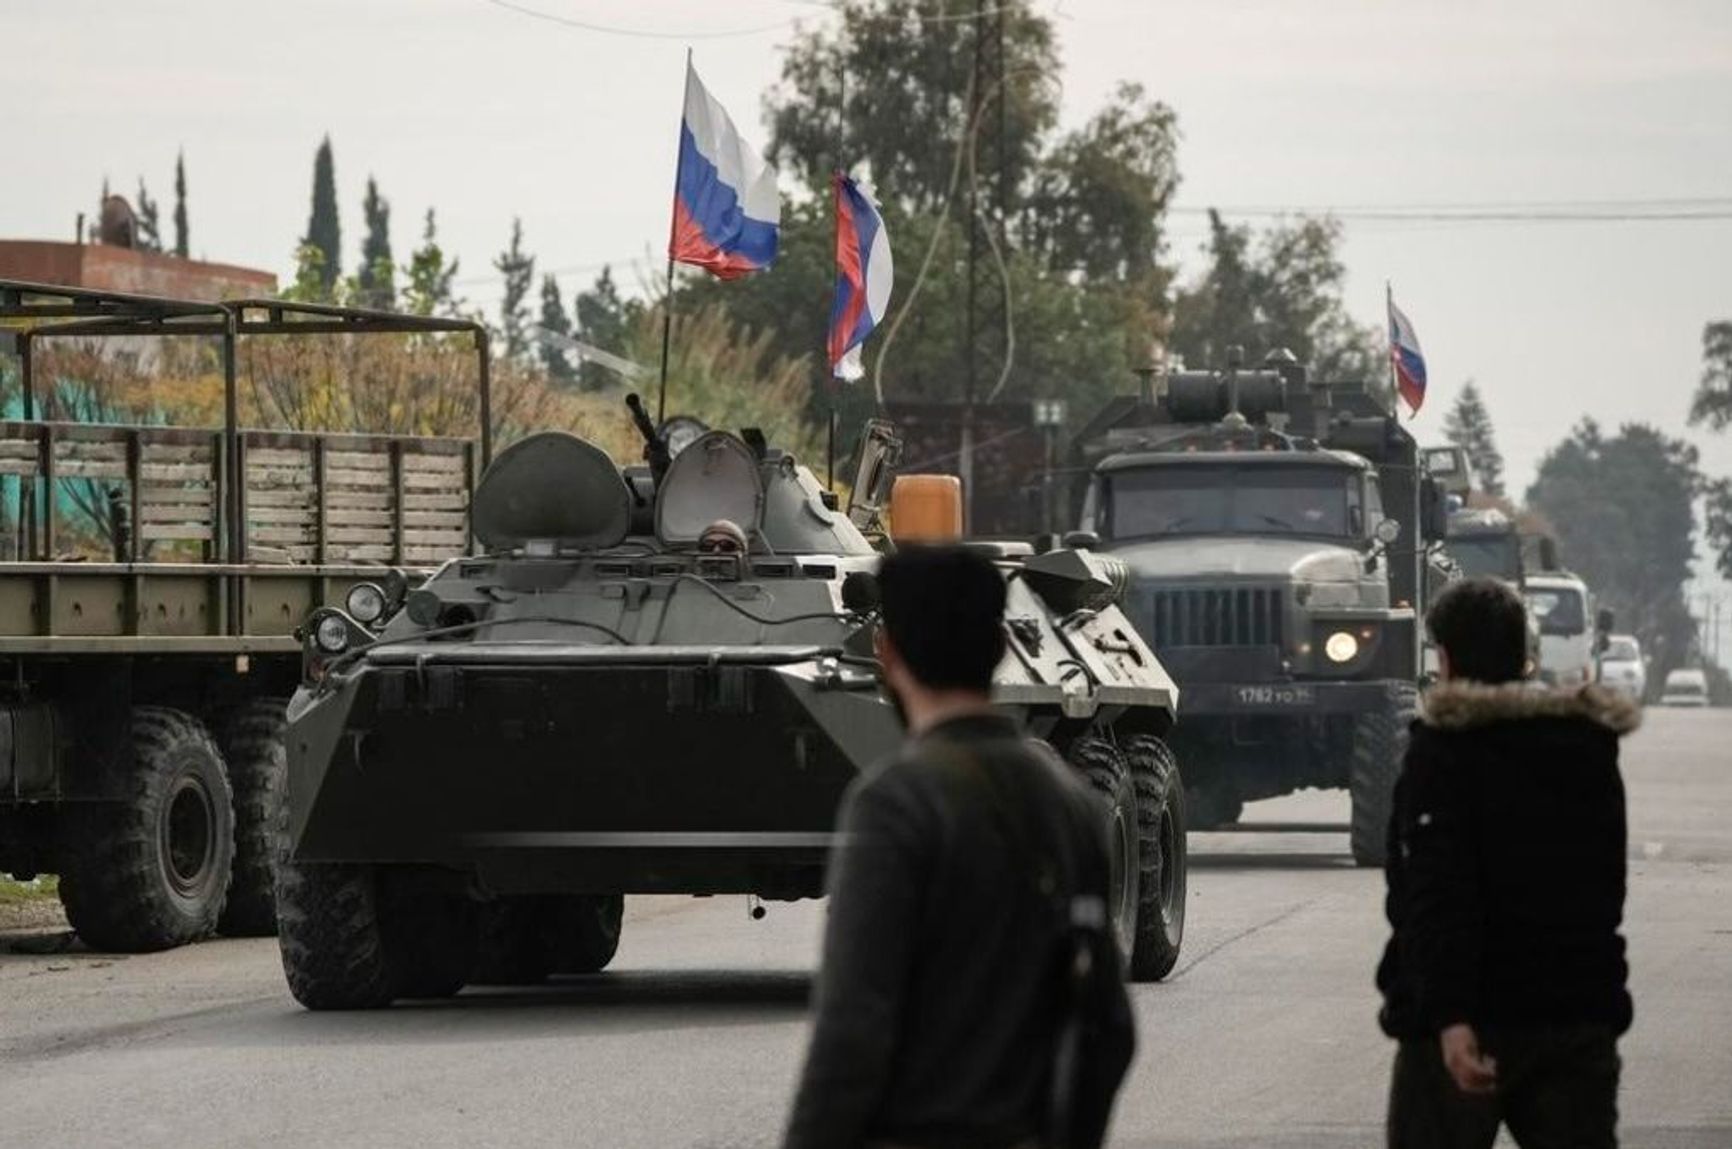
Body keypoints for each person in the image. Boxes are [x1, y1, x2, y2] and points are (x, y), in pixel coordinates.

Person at [783, 545, 1134, 1149]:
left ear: (885, 653)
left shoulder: (895, 802)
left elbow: (853, 1031)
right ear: (1002, 645)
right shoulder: (1072, 803)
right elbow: (1109, 1026)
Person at [1379, 577, 1638, 1149]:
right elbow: (1605, 891)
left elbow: (1434, 894)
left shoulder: (1443, 753)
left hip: (1462, 1031)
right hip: (1574, 1015)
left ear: (1443, 658)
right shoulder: (1586, 750)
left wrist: (1450, 1016)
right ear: (1526, 657)